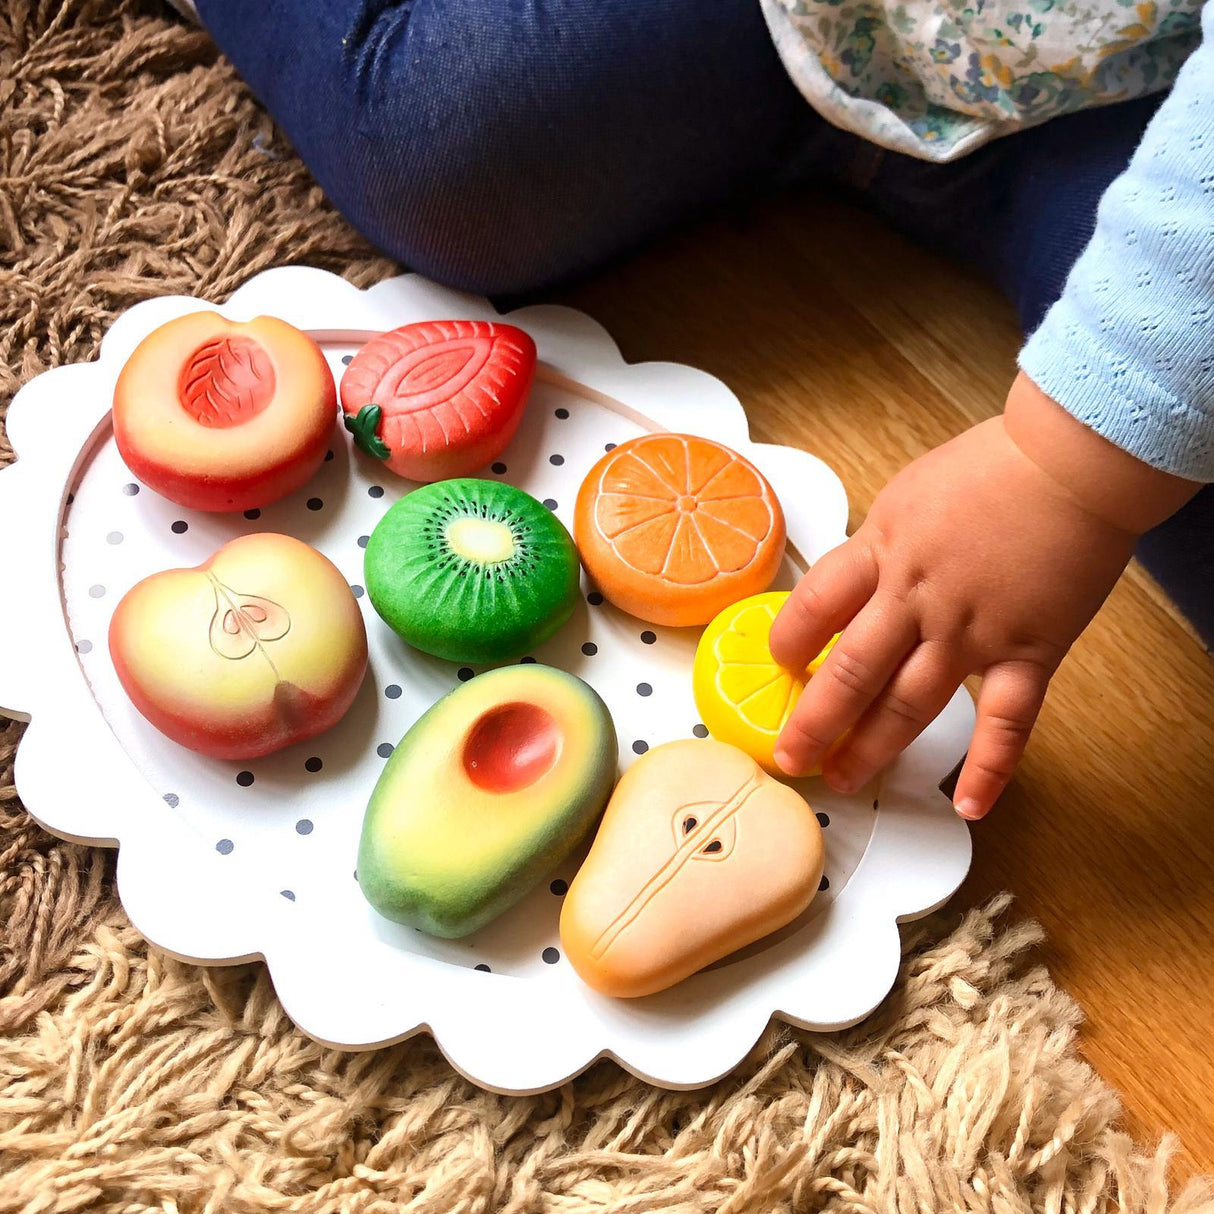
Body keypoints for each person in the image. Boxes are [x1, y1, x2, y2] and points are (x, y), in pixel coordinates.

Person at [191, 0, 1213, 819]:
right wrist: (1065, 463)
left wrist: (1083, 454)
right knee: (448, 143)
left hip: (1130, 100)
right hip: (793, 20)